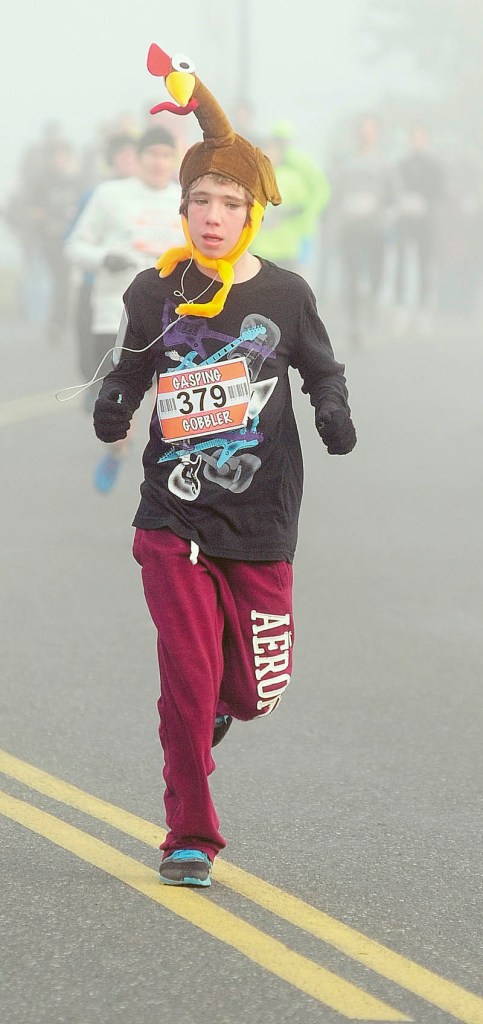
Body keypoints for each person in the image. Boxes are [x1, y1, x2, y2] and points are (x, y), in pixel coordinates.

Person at [92, 43, 357, 888]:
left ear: (253, 212)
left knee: (251, 692)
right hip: (172, 517)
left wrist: (331, 409)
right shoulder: (153, 291)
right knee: (185, 672)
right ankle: (190, 835)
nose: (212, 214)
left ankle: (219, 710)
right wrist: (115, 404)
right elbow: (131, 365)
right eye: (200, 198)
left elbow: (320, 365)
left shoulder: (283, 294)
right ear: (183, 206)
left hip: (262, 517)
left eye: (229, 201)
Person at [65, 125, 184, 492]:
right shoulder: (110, 196)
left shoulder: (187, 199)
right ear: (139, 157)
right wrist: (104, 258)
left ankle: (164, 470)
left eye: (166, 155)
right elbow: (75, 246)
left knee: (165, 397)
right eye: (152, 154)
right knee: (119, 400)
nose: (159, 162)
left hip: (170, 317)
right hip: (114, 313)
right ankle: (117, 451)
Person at [393, 122, 445, 336]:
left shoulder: (434, 166)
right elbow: (393, 189)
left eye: (421, 138)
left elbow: (439, 191)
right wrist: (403, 203)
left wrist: (425, 203)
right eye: (414, 138)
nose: (417, 142)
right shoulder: (401, 164)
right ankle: (401, 310)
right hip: (405, 221)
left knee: (425, 265)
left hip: (425, 222)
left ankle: (424, 311)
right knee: (402, 264)